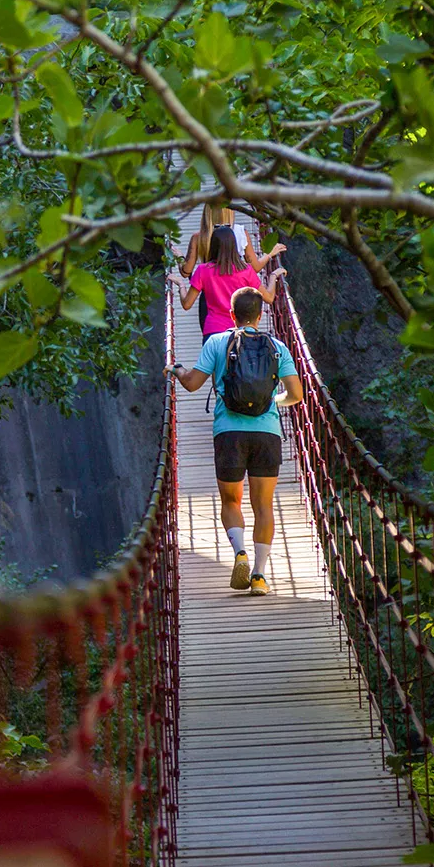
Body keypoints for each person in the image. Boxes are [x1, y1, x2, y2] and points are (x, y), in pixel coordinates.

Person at [168, 288, 304, 596]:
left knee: (231, 501)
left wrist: (176, 369)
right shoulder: (278, 346)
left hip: (228, 432)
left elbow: (191, 384)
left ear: (232, 315)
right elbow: (296, 395)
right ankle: (258, 575)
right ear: (260, 315)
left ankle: (240, 552)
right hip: (267, 433)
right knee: (263, 505)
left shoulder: (217, 342)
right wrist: (274, 401)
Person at [182, 226, 285, 342]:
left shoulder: (203, 270)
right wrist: (273, 276)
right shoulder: (246, 271)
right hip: (241, 333)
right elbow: (269, 298)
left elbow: (186, 304)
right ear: (234, 246)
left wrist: (181, 285)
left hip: (213, 334)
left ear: (212, 246)